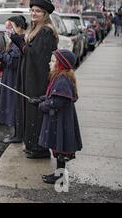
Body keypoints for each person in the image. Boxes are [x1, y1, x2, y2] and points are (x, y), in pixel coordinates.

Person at [11, 0, 59, 159]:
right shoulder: (35, 29)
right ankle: (31, 144)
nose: (34, 13)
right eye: (32, 10)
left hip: (38, 80)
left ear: (45, 14)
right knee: (29, 111)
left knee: (35, 112)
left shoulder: (46, 31)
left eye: (38, 11)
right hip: (31, 78)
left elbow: (36, 56)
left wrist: (20, 43)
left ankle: (39, 148)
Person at [28, 49, 82, 184]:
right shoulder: (60, 77)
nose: (49, 63)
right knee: (59, 146)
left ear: (61, 65)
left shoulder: (62, 80)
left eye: (53, 61)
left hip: (61, 120)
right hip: (60, 119)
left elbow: (56, 102)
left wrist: (41, 106)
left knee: (61, 146)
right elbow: (52, 96)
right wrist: (40, 99)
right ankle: (59, 174)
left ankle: (60, 176)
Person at [0, 15, 27, 143]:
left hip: (14, 80)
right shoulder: (13, 42)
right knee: (10, 105)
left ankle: (17, 135)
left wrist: (2, 56)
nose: (8, 30)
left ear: (19, 27)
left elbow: (13, 61)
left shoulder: (20, 41)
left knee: (13, 106)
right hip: (9, 78)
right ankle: (14, 133)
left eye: (11, 27)